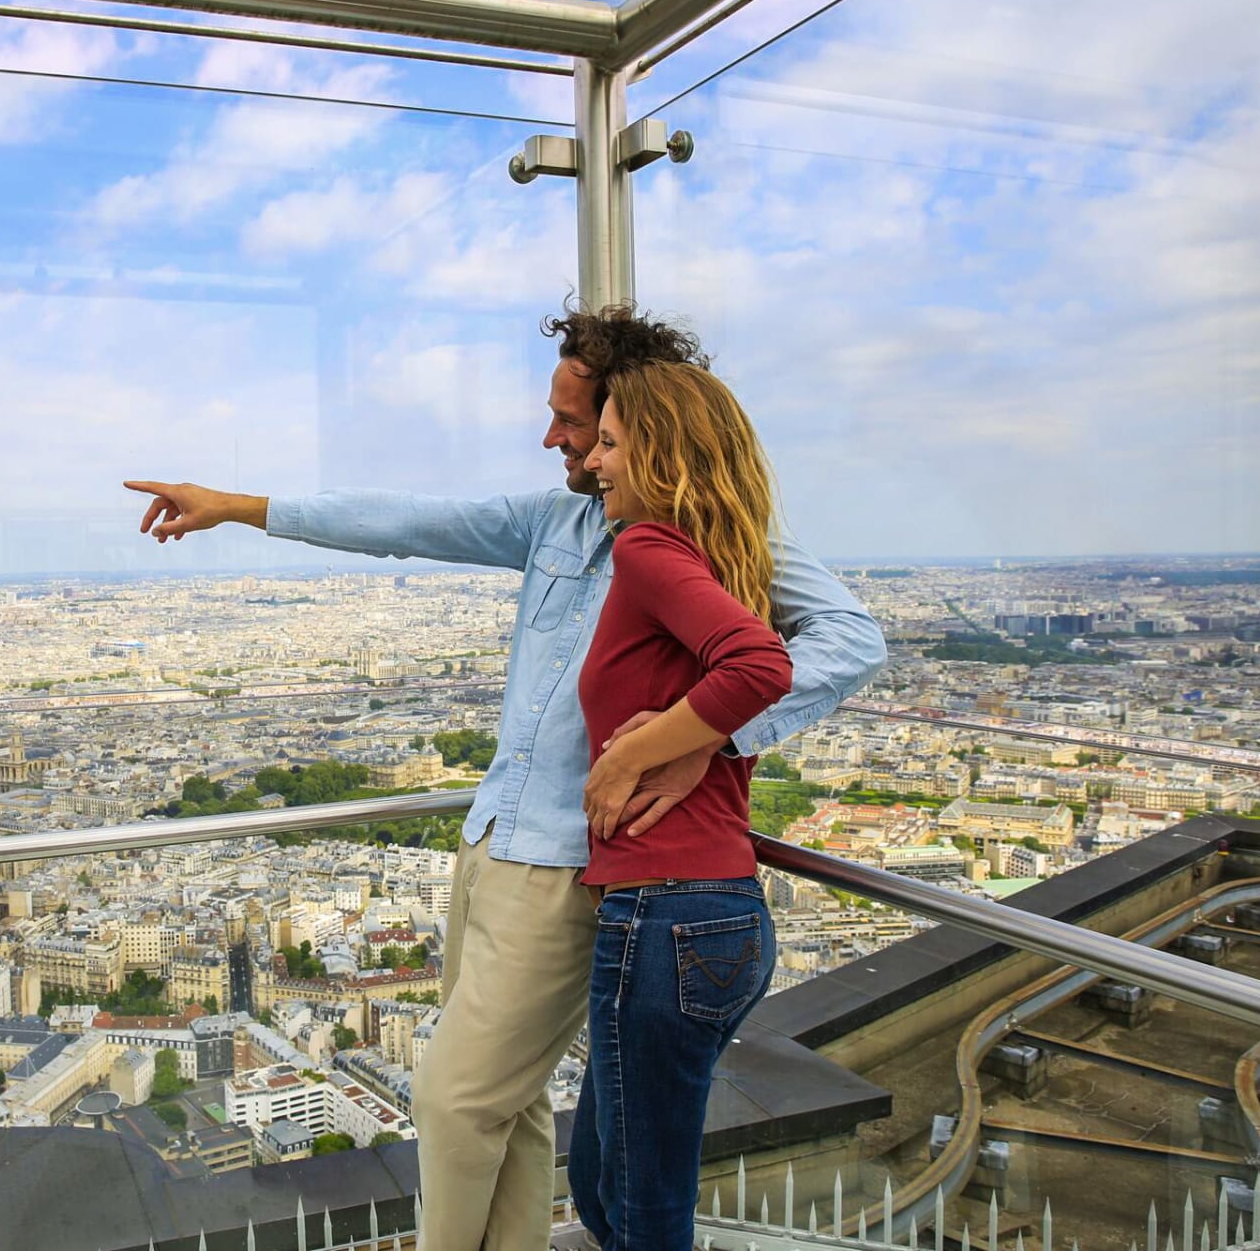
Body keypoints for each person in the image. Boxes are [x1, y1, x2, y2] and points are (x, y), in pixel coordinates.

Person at [125, 304, 884, 1251]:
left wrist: (703, 737)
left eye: (575, 423)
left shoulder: (713, 536)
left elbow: (848, 641)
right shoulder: (556, 524)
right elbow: (408, 520)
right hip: (491, 839)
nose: (555, 439)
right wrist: (239, 506)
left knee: (457, 1099)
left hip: (570, 861)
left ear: (632, 427)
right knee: (511, 1100)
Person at [569, 359, 790, 1250]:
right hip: (715, 916)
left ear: (659, 454)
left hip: (665, 920)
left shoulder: (649, 548)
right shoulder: (727, 561)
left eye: (611, 444)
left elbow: (761, 667)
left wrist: (631, 754)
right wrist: (688, 740)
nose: (593, 464)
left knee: (642, 1210)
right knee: (606, 1184)